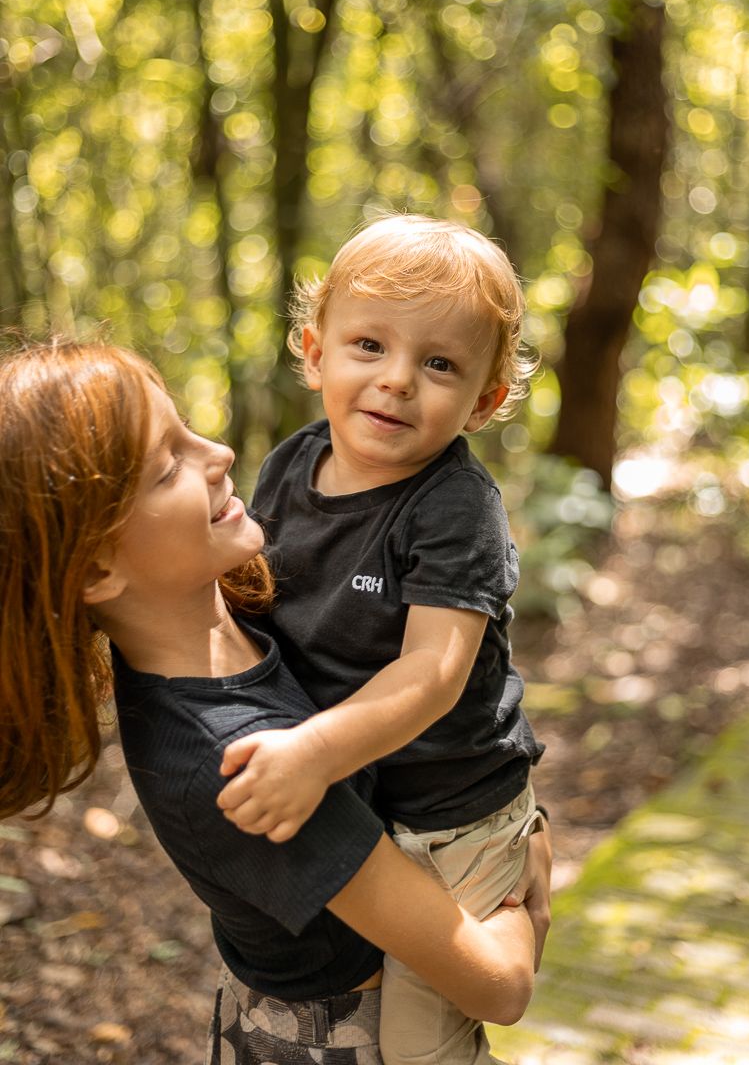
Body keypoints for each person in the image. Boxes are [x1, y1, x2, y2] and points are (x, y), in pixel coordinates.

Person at [0, 338, 551, 1065]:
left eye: (187, 428)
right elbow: (499, 988)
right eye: (168, 468)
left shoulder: (237, 617)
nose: (219, 453)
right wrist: (524, 896)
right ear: (96, 567)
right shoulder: (247, 767)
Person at [215, 215, 547, 1065]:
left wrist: (313, 751)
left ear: (484, 400)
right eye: (369, 345)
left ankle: (515, 911)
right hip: (357, 804)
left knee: (418, 1045)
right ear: (315, 353)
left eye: (439, 364)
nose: (396, 380)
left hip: (451, 816)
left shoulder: (455, 506)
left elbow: (433, 671)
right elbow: (257, 599)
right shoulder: (290, 463)